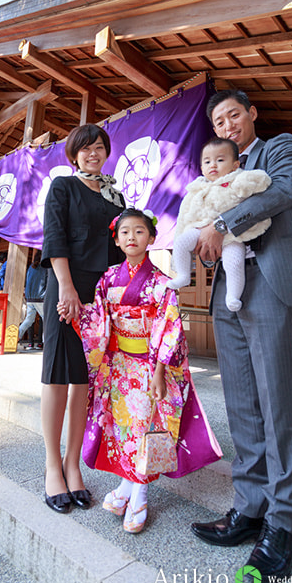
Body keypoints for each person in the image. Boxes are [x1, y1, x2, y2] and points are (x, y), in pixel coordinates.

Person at [189, 90, 292, 583]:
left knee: (276, 403)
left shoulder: (279, 148)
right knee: (241, 402)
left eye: (233, 115)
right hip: (229, 289)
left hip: (271, 284)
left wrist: (224, 222)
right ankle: (249, 508)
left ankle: (285, 525)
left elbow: (284, 192)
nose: (226, 125)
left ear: (251, 115)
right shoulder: (212, 169)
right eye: (218, 120)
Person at [76, 209, 221, 533]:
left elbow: (168, 328)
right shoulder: (108, 278)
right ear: (117, 239)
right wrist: (77, 315)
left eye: (139, 231)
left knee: (144, 427)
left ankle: (140, 493)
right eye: (125, 232)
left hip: (148, 367)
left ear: (152, 238)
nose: (132, 237)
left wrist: (158, 371)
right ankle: (127, 485)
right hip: (118, 365)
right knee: (124, 428)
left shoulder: (161, 282)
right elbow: (99, 321)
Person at [39, 124, 125, 513]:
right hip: (67, 286)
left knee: (85, 380)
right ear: (74, 154)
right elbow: (54, 238)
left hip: (102, 294)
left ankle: (73, 465)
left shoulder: (114, 195)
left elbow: (124, 247)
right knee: (59, 374)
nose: (93, 152)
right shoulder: (63, 187)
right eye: (85, 148)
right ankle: (51, 467)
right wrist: (67, 287)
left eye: (99, 146)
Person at [167, 137, 272, 311]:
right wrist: (187, 230)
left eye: (220, 160)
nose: (213, 165)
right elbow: (183, 217)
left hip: (233, 236)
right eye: (207, 161)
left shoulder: (236, 180)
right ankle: (184, 275)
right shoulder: (196, 188)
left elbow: (259, 182)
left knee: (234, 262)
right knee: (181, 242)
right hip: (201, 230)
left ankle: (232, 296)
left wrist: (253, 180)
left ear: (235, 165)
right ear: (201, 168)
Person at [18, 252, 47, 350]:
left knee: (29, 320)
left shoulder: (31, 268)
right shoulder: (45, 267)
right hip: (40, 298)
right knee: (46, 320)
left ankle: (16, 336)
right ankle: (45, 343)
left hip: (30, 298)